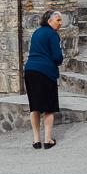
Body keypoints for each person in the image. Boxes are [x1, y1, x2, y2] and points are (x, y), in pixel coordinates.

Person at [24, 10, 64, 149]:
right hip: (45, 72)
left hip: (30, 70)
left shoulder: (36, 32)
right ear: (50, 21)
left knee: (34, 107)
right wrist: (58, 61)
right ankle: (47, 140)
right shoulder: (53, 35)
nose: (60, 23)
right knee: (48, 108)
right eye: (58, 20)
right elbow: (57, 57)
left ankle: (36, 140)